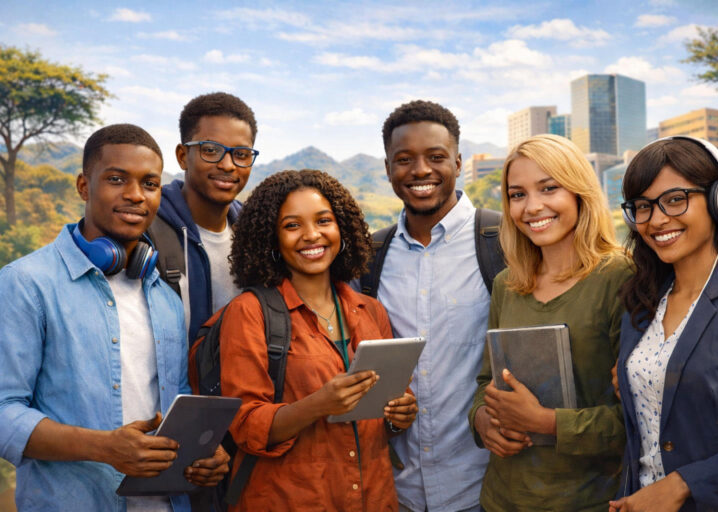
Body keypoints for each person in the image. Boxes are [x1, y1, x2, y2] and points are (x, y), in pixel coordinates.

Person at [0, 124, 229, 511]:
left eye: (150, 183)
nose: (136, 195)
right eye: (117, 179)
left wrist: (202, 452)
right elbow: (4, 411)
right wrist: (104, 447)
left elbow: (175, 405)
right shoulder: (26, 283)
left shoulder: (165, 296)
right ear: (84, 187)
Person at [214, 169, 417, 511]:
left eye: (324, 221)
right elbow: (246, 426)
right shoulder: (248, 312)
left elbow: (386, 416)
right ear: (271, 239)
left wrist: (400, 413)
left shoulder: (371, 311)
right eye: (292, 225)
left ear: (342, 229)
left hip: (373, 497)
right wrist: (318, 404)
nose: (311, 235)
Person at [469, 134, 630, 511]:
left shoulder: (621, 277)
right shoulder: (506, 285)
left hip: (590, 501)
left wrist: (546, 422)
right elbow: (485, 381)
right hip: (502, 500)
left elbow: (641, 416)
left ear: (579, 192)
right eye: (517, 194)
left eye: (549, 188)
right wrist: (483, 421)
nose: (532, 207)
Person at [356, 100, 504, 512]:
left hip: (483, 488)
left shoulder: (504, 241)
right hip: (397, 491)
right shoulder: (370, 257)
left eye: (436, 157)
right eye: (404, 159)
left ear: (458, 162)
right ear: (388, 169)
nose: (420, 170)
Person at [610, 137, 718, 512]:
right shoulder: (641, 306)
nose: (657, 219)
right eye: (643, 206)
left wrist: (683, 485)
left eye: (675, 199)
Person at [149, 91, 258, 344]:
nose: (228, 165)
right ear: (182, 156)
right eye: (211, 150)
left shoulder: (254, 233)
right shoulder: (147, 229)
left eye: (241, 154)